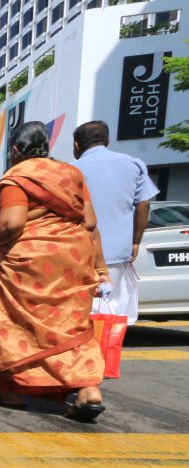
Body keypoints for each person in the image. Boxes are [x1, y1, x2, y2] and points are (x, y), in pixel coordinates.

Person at [0, 121, 110, 422]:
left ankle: (12, 392)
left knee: (13, 321)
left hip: (29, 259)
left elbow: (11, 223)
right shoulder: (72, 173)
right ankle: (87, 389)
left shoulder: (16, 177)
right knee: (71, 324)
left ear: (16, 150)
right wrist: (101, 267)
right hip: (73, 255)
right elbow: (90, 221)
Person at [73, 120, 159, 325]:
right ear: (108, 140)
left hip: (82, 253)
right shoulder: (134, 164)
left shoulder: (70, 170)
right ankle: (110, 353)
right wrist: (136, 241)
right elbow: (143, 204)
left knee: (86, 314)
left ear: (76, 145)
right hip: (120, 253)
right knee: (117, 314)